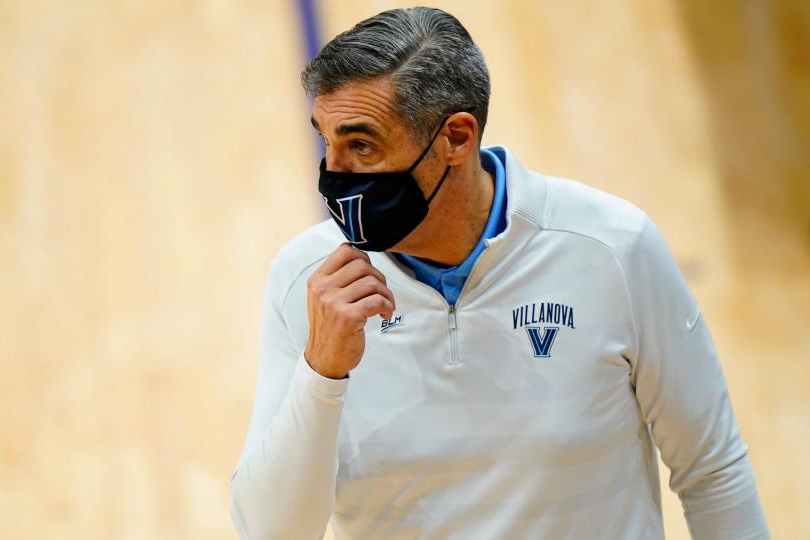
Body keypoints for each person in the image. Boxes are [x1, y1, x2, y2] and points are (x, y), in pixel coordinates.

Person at [229, 6, 768, 539]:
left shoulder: (613, 248)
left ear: (457, 138)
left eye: (362, 145)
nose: (334, 175)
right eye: (327, 142)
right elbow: (270, 531)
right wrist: (322, 371)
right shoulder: (306, 279)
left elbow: (712, 471)